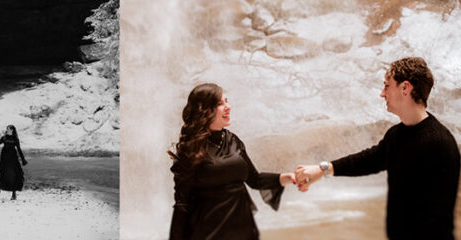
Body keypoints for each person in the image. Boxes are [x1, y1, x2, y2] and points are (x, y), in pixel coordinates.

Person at [294, 57, 460, 239]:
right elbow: (369, 160)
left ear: (405, 88)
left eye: (387, 86)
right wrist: (321, 170)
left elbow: (437, 221)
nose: (382, 94)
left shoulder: (438, 143)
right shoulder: (397, 135)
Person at [168, 83, 296, 240]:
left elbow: (255, 180)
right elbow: (182, 204)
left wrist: (285, 178)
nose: (228, 107)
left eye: (227, 101)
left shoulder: (233, 140)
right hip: (208, 232)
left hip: (243, 229)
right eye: (220, 104)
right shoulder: (191, 149)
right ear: (205, 110)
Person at [0, 124, 27, 201]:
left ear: (12, 130)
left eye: (9, 129)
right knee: (3, 175)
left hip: (13, 159)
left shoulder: (15, 139)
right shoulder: (4, 138)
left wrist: (23, 160)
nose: (7, 130)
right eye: (7, 129)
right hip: (4, 158)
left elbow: (19, 150)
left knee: (14, 175)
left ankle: (14, 194)